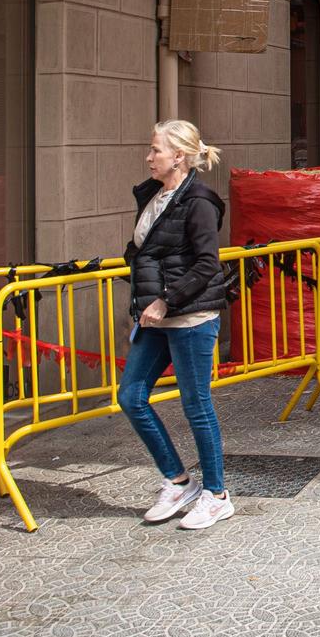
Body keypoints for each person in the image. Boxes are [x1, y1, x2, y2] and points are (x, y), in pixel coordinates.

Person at [118, 120, 236, 531]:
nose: (149, 157)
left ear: (179, 157)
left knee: (196, 405)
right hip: (156, 318)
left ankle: (217, 495)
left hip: (189, 318)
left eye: (156, 150)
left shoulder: (200, 201)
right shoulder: (153, 194)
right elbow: (144, 251)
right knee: (131, 396)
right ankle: (177, 480)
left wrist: (165, 300)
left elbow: (207, 264)